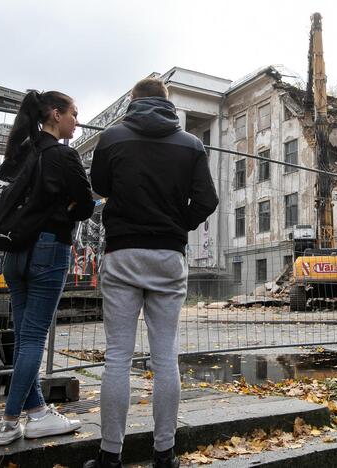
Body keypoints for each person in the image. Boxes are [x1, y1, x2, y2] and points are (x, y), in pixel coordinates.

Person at [85, 78, 218, 468]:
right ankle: (165, 454)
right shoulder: (191, 145)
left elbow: (99, 185)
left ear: (133, 101)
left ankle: (110, 455)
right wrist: (178, 225)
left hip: (123, 251)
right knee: (165, 358)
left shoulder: (112, 137)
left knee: (117, 358)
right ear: (167, 103)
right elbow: (207, 199)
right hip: (168, 255)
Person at [0, 91, 94, 445]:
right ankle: (8, 422)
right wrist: (63, 210)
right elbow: (85, 204)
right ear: (55, 114)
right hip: (48, 248)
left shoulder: (20, 151)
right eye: (74, 113)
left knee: (24, 336)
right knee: (35, 337)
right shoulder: (64, 155)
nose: (76, 121)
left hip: (14, 252)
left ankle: (37, 415)